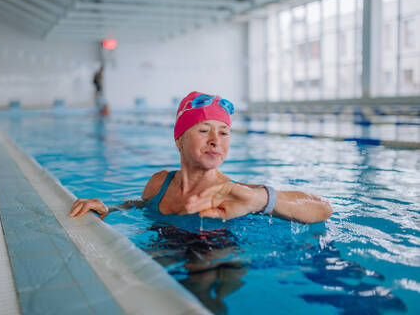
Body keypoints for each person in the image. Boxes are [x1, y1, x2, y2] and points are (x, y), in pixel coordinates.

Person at [69, 91, 332, 223]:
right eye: (204, 130)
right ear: (179, 139)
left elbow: (322, 208)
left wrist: (259, 199)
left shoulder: (233, 192)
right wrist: (110, 209)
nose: (215, 141)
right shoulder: (158, 183)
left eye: (224, 133)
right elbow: (142, 204)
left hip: (217, 266)